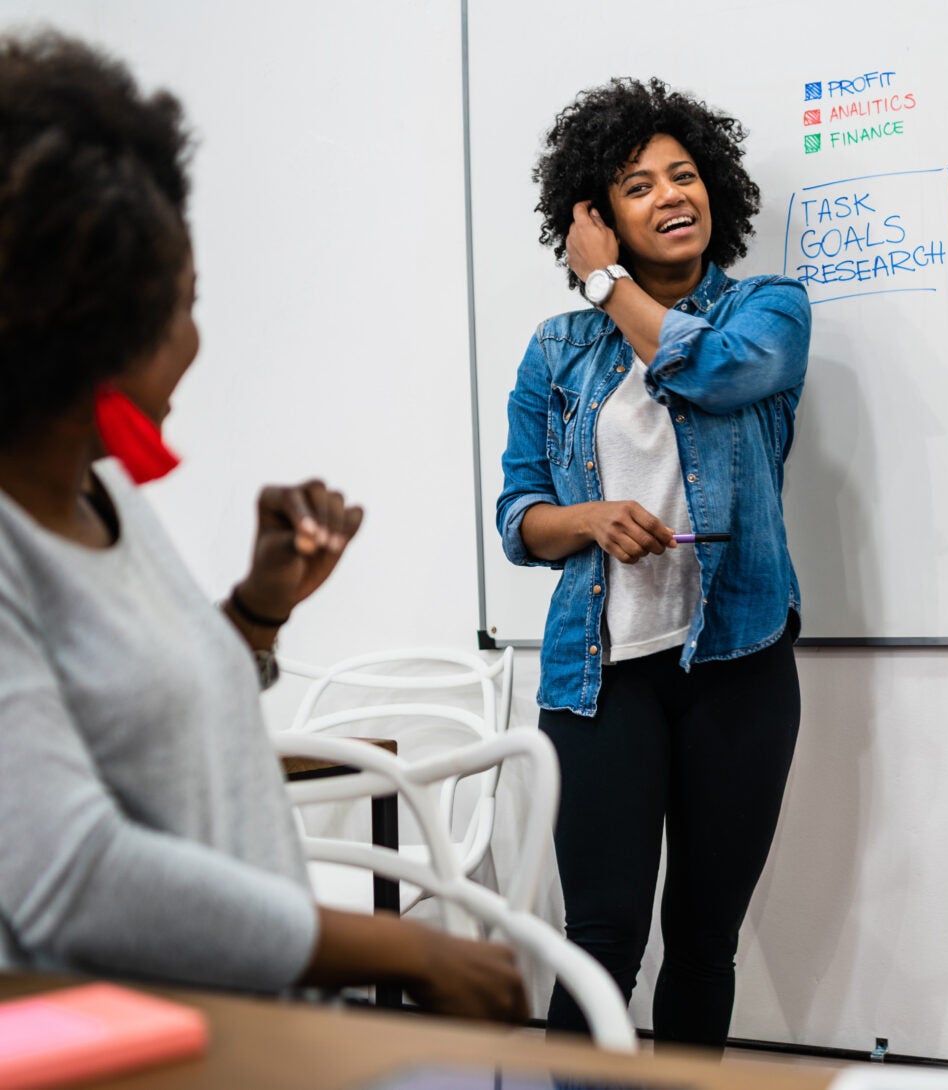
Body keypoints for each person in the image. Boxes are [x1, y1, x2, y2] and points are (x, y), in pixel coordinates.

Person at [0, 30, 527, 1024]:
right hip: (106, 1048)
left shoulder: (99, 495)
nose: (197, 338)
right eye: (182, 307)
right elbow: (70, 874)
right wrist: (397, 946)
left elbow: (147, 717)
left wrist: (255, 610)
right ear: (85, 329)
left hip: (227, 1030)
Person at [497, 77, 811, 1048]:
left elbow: (714, 373)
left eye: (684, 175)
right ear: (595, 214)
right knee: (596, 943)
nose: (672, 195)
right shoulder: (556, 352)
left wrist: (606, 284)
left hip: (738, 667)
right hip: (597, 682)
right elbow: (518, 521)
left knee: (701, 940)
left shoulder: (768, 310)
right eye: (637, 185)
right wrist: (586, 517)